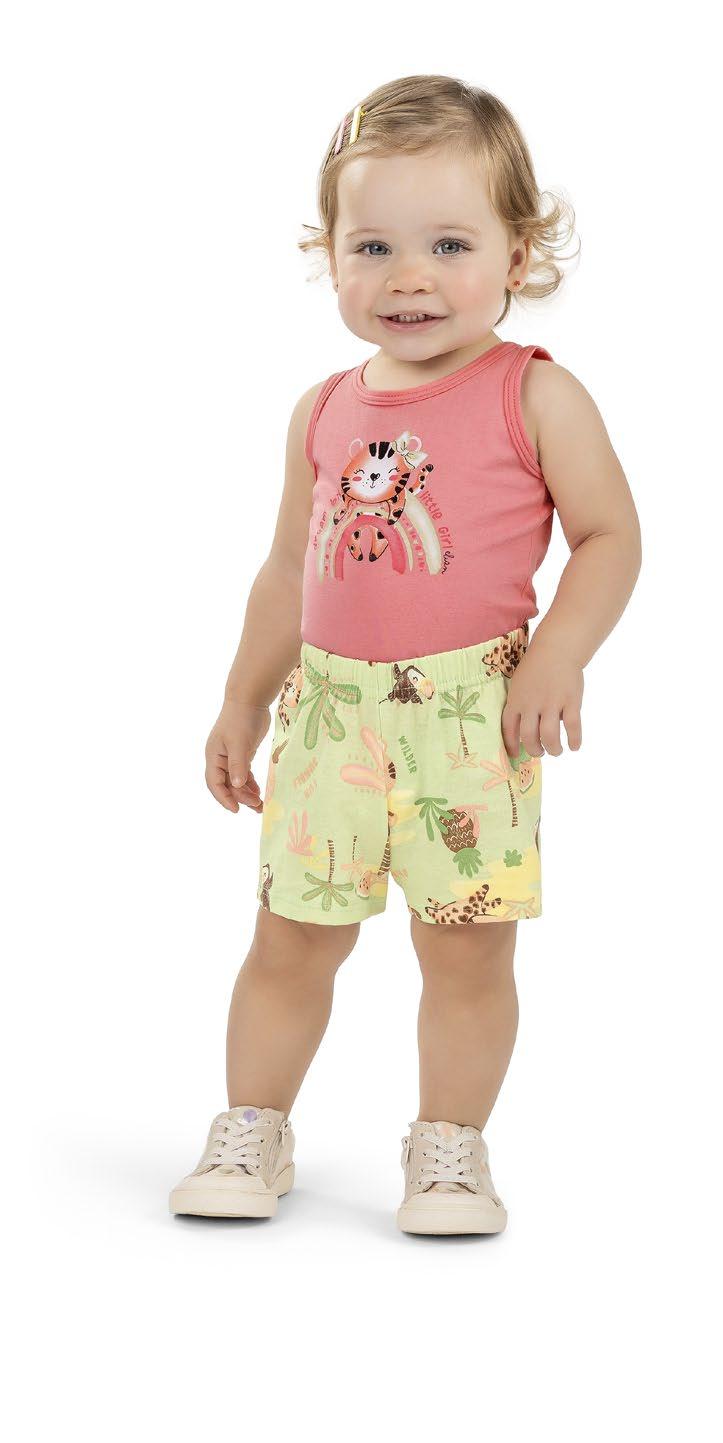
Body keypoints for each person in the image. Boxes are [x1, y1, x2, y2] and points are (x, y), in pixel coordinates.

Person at [169, 75, 642, 1235]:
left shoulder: (538, 395)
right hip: (331, 716)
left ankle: (449, 1151)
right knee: (290, 939)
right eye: (372, 246)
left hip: (473, 719)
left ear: (518, 253)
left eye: (449, 244)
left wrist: (560, 655)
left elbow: (610, 537)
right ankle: (252, 1129)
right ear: (329, 254)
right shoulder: (324, 408)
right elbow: (289, 571)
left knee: (466, 952)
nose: (409, 277)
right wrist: (242, 702)